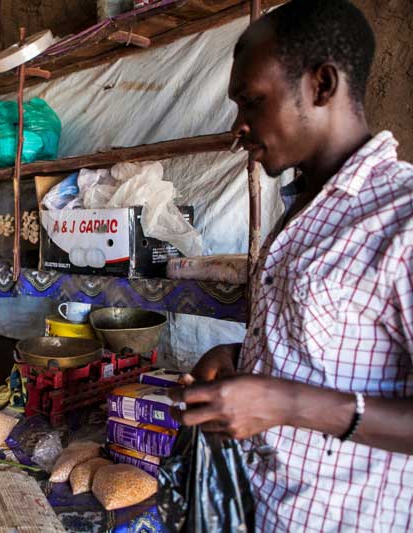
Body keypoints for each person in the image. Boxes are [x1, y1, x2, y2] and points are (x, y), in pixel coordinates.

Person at [168, 1, 413, 531]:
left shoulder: (402, 218)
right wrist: (240, 357)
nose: (239, 126)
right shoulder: (302, 213)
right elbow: (328, 350)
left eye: (252, 101)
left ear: (322, 85)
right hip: (266, 507)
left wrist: (285, 402)